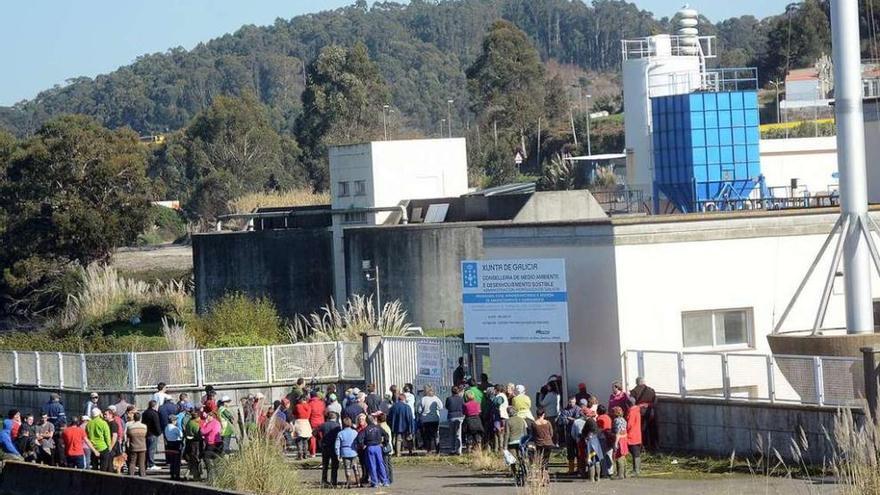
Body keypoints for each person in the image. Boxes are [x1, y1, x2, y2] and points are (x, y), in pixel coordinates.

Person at [359, 415, 390, 487]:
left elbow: (359, 438)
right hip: (378, 446)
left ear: (367, 421)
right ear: (373, 420)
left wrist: (363, 445)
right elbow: (386, 435)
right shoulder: (378, 428)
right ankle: (384, 481)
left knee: (372, 465)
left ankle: (375, 482)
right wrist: (384, 443)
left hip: (369, 447)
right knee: (380, 464)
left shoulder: (365, 429)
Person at [630, 377, 658, 451]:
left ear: (637, 382)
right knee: (652, 429)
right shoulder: (651, 390)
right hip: (650, 413)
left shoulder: (634, 391)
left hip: (640, 414)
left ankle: (643, 447)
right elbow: (655, 402)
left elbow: (632, 403)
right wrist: (648, 405)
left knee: (642, 431)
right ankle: (654, 446)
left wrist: (640, 405)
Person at [335, 417, 361, 489]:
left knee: (347, 468)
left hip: (344, 452)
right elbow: (357, 443)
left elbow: (337, 445)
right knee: (355, 467)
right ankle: (358, 482)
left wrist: (338, 454)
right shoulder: (355, 432)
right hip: (353, 451)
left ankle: (349, 483)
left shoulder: (340, 433)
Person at [560, 397, 583, 474]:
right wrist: (571, 419)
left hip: (577, 433)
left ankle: (579, 469)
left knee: (579, 451)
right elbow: (563, 420)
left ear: (575, 401)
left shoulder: (579, 409)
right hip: (569, 433)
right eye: (570, 402)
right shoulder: (564, 410)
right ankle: (571, 469)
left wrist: (571, 419)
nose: (571, 403)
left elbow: (579, 420)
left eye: (573, 402)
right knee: (570, 452)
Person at [532, 407, 554, 486]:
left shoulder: (534, 424)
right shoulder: (548, 423)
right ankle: (546, 477)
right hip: (548, 443)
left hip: (539, 444)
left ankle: (542, 478)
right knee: (546, 461)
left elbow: (533, 435)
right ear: (543, 414)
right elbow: (551, 433)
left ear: (537, 414)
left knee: (540, 461)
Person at [418, 385, 443, 455]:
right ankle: (438, 450)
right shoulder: (436, 398)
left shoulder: (423, 399)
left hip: (426, 419)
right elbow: (441, 407)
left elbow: (419, 410)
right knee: (435, 435)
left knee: (427, 435)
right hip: (435, 419)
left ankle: (429, 450)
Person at [318, 411, 341, 487]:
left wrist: (320, 440)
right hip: (334, 447)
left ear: (328, 418)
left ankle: (324, 480)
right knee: (334, 465)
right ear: (335, 418)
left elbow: (314, 433)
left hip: (325, 446)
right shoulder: (337, 426)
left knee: (325, 465)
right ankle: (333, 481)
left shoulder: (323, 425)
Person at [201, 411, 223, 484]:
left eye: (209, 416)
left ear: (212, 417)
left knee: (208, 462)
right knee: (216, 461)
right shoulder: (218, 422)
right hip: (218, 443)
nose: (207, 418)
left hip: (211, 444)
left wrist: (204, 424)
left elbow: (203, 431)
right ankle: (217, 478)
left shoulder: (211, 423)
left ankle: (211, 479)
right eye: (207, 416)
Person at [581, 418, 604, 482]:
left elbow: (584, 434)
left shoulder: (588, 433)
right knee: (597, 461)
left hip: (590, 446)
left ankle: (592, 478)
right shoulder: (596, 432)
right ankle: (598, 477)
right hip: (596, 445)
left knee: (591, 462)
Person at [126, 412, 148, 477]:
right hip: (142, 446)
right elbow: (145, 435)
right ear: (140, 418)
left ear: (134, 418)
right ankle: (142, 476)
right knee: (141, 463)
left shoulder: (130, 427)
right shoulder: (144, 427)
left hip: (133, 446)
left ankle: (131, 476)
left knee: (132, 462)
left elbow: (128, 436)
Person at [142, 400, 162, 470]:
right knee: (151, 449)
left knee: (147, 449)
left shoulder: (145, 413)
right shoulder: (154, 414)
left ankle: (146, 463)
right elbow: (157, 424)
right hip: (153, 433)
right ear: (155, 405)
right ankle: (151, 464)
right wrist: (159, 432)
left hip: (146, 433)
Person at [445, 386, 465, 455]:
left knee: (452, 434)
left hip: (451, 417)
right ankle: (459, 450)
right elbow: (463, 406)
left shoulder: (449, 399)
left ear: (451, 391)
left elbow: (447, 407)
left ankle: (452, 449)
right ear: (458, 391)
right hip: (460, 417)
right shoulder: (461, 399)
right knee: (458, 434)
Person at [184, 409, 203, 481]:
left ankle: (187, 474)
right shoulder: (195, 424)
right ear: (197, 417)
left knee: (191, 460)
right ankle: (196, 476)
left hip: (189, 442)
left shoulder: (189, 422)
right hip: (195, 443)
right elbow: (199, 434)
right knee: (196, 460)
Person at [626, 399, 642, 476]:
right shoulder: (637, 410)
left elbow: (629, 425)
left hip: (632, 435)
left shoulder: (632, 412)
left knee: (635, 453)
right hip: (637, 434)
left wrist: (625, 429)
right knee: (636, 453)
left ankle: (636, 470)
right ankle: (638, 469)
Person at [292, 395, 312, 460]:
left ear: (301, 399)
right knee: (305, 440)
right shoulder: (309, 406)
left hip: (299, 422)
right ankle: (305, 454)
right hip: (306, 422)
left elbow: (294, 413)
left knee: (298, 439)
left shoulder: (298, 406)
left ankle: (300, 454)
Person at [611, 406, 629, 479]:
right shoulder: (624, 420)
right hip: (624, 438)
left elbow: (618, 433)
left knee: (619, 457)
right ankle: (625, 473)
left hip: (620, 439)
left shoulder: (616, 420)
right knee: (623, 456)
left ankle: (620, 474)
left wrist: (615, 443)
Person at [596, 404, 613, 477]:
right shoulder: (608, 417)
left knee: (602, 455)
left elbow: (599, 430)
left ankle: (604, 472)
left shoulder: (599, 418)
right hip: (610, 437)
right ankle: (610, 471)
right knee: (609, 455)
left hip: (602, 438)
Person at [376, 412, 394, 484]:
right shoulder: (386, 426)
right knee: (389, 464)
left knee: (385, 464)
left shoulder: (381, 428)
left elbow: (383, 438)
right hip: (389, 447)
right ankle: (390, 478)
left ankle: (386, 479)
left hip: (385, 448)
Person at [165, 414, 183, 481]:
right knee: (177, 461)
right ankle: (177, 475)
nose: (176, 421)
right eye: (175, 420)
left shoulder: (166, 427)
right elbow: (181, 435)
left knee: (172, 461)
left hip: (169, 444)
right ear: (173, 421)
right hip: (176, 444)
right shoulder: (175, 428)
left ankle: (172, 474)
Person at [308, 392, 326, 457]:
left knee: (313, 438)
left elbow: (308, 414)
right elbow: (324, 412)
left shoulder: (309, 404)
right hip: (321, 421)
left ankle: (313, 453)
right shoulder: (322, 403)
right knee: (322, 437)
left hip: (312, 422)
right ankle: (324, 451)